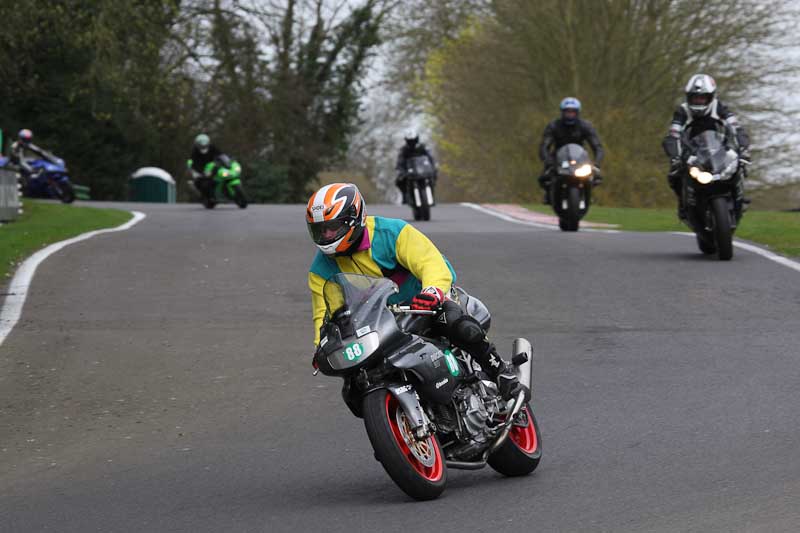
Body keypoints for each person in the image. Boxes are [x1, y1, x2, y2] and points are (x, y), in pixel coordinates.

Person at [306, 182, 525, 400]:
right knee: (354, 388)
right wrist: (322, 347)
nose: (326, 235)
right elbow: (324, 315)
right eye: (320, 229)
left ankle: (501, 372)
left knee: (454, 323)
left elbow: (430, 262)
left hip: (426, 302)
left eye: (332, 227)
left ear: (354, 218)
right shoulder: (320, 269)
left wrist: (432, 291)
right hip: (380, 323)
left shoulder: (391, 232)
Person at [662, 74, 750, 219]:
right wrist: (675, 157)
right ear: (688, 97)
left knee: (740, 165)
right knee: (674, 174)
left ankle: (739, 198)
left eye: (702, 97)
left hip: (718, 148)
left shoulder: (720, 107)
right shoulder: (682, 111)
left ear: (710, 97)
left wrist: (744, 148)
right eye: (695, 97)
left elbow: (737, 128)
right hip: (692, 150)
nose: (698, 101)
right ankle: (683, 204)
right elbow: (673, 135)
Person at [538, 97, 604, 204]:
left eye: (572, 112)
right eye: (567, 112)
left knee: (595, 176)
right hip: (558, 157)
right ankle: (549, 194)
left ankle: (587, 193)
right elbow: (544, 146)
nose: (570, 114)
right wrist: (547, 161)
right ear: (562, 112)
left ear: (577, 112)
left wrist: (596, 163)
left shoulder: (585, 126)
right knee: (544, 178)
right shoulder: (553, 126)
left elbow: (597, 146)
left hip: (580, 157)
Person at [395, 131, 437, 204]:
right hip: (410, 172)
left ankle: (431, 195)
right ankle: (406, 196)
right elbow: (400, 162)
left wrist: (433, 166)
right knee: (399, 181)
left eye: (413, 141)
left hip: (423, 171)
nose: (412, 143)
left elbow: (430, 157)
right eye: (410, 141)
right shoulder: (404, 150)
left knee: (434, 175)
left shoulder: (423, 147)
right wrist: (401, 171)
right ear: (407, 141)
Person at [186, 133, 222, 197]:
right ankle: (205, 195)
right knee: (202, 182)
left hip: (213, 167)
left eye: (205, 144)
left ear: (208, 143)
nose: (203, 146)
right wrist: (200, 171)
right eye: (201, 145)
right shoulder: (195, 152)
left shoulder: (212, 148)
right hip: (202, 170)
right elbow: (193, 163)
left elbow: (220, 154)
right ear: (197, 144)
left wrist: (226, 160)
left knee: (220, 174)